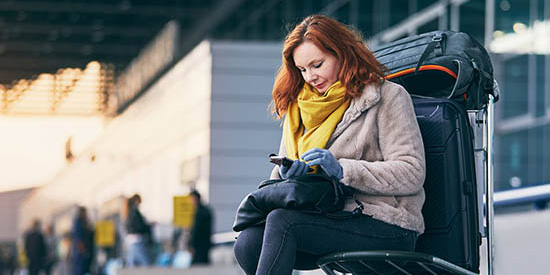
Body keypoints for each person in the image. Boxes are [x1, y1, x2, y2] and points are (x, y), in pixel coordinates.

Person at [233, 15, 426, 275]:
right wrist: (289, 177)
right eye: (302, 70)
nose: (310, 77)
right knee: (248, 242)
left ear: (342, 54)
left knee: (283, 223)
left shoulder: (387, 97)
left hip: (385, 221)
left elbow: (412, 172)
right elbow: (280, 182)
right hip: (325, 215)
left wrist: (343, 170)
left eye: (317, 65)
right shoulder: (298, 109)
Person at [124, 194, 151, 267]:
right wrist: (148, 226)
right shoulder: (134, 212)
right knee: (145, 264)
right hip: (138, 240)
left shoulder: (129, 212)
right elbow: (139, 226)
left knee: (131, 264)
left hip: (131, 241)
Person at [187, 190, 213, 265]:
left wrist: (191, 244)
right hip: (205, 244)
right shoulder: (207, 210)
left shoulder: (199, 212)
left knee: (198, 266)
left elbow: (196, 230)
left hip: (198, 245)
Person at [71, 206, 94, 275]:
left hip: (83, 251)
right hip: (81, 252)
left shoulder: (82, 222)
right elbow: (79, 238)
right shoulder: (79, 222)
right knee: (81, 269)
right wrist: (83, 250)